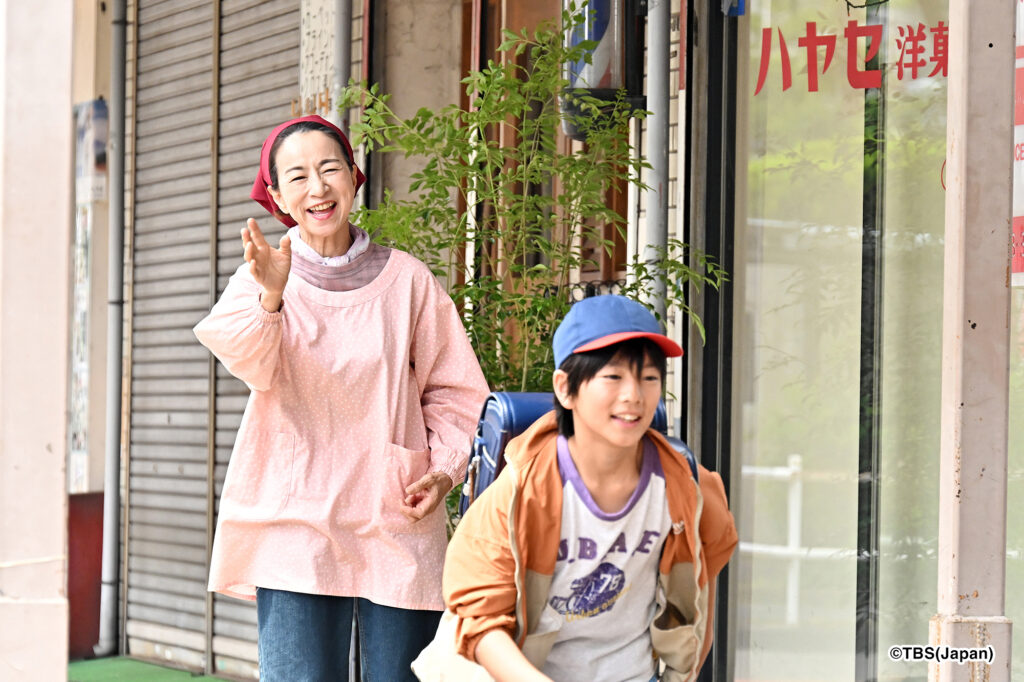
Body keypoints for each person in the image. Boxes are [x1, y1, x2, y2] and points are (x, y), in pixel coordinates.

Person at [193, 114, 489, 681]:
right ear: (277, 196)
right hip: (293, 512)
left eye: (330, 168)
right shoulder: (261, 277)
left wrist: (444, 472)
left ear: (354, 176)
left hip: (394, 507)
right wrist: (272, 297)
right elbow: (251, 365)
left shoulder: (408, 281)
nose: (318, 187)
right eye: (297, 176)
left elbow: (456, 390)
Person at [434, 295, 738, 682]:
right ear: (565, 388)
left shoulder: (687, 486)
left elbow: (699, 598)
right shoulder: (519, 493)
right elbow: (480, 619)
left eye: (649, 378)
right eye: (613, 377)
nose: (633, 395)